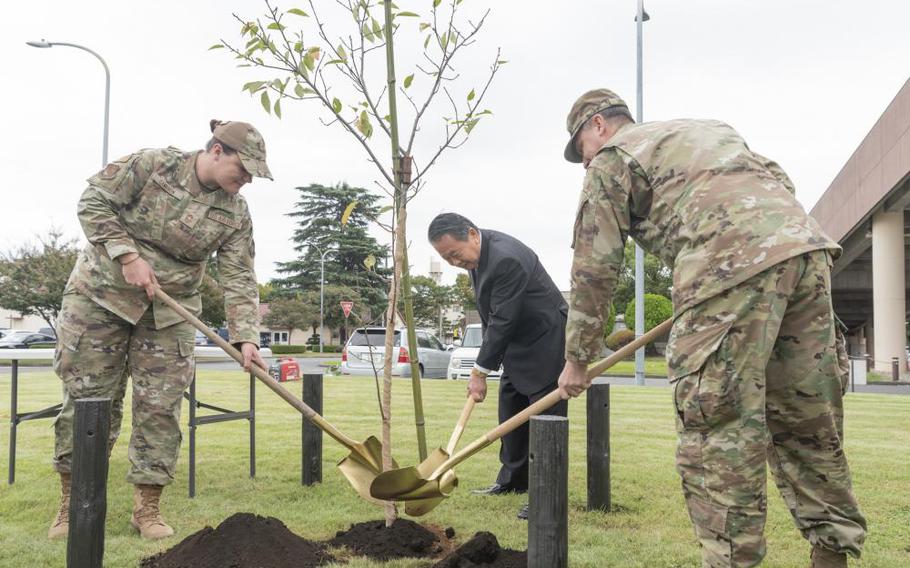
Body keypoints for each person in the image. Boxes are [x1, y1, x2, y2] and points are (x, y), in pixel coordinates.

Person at [555, 89, 866, 567]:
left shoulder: (612, 159)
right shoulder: (708, 129)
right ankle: (831, 555)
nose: (584, 163)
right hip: (805, 253)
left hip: (727, 265)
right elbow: (779, 180)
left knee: (717, 425)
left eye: (581, 150)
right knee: (807, 416)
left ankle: (728, 560)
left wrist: (578, 358)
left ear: (598, 125)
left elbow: (594, 266)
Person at [48, 120, 271, 540]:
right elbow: (93, 202)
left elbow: (239, 274)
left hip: (169, 314)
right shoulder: (153, 165)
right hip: (99, 297)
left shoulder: (236, 211)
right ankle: (72, 505)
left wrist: (247, 337)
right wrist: (127, 255)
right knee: (88, 402)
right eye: (243, 169)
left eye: (252, 175)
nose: (246, 181)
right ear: (217, 150)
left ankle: (146, 510)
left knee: (160, 410)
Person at [428, 212, 568, 520]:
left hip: (544, 337)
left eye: (454, 254)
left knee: (545, 417)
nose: (454, 262)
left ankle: (547, 492)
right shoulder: (479, 257)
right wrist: (489, 362)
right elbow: (498, 319)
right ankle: (513, 481)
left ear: (472, 235)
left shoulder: (505, 259)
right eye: (446, 258)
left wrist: (479, 372)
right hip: (516, 341)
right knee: (511, 412)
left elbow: (502, 320)